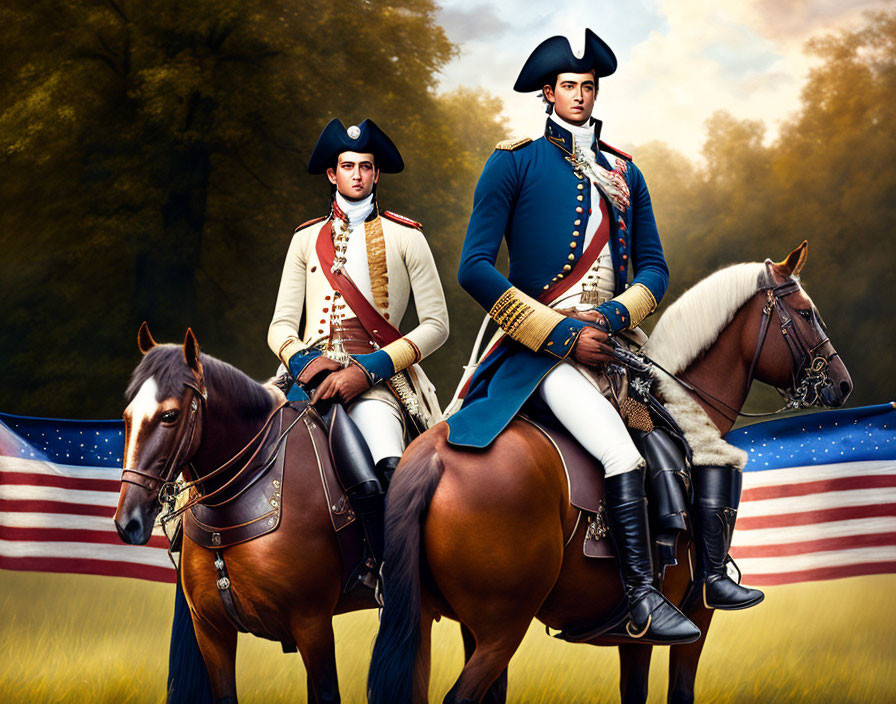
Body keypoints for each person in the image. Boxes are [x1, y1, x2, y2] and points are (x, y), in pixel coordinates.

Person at [448, 29, 761, 643]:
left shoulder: (625, 171)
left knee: (703, 439)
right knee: (622, 453)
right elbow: (474, 268)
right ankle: (642, 599)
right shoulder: (512, 162)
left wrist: (614, 319)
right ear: (548, 93)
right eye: (570, 86)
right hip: (539, 351)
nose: (581, 96)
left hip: (617, 342)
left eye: (589, 87)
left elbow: (654, 269)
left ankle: (709, 575)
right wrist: (560, 333)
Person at [268, 118, 449, 579]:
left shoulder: (408, 235)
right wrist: (305, 361)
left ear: (376, 174)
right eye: (347, 166)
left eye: (365, 167)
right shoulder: (305, 238)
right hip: (305, 373)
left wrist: (369, 370)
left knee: (386, 458)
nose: (356, 175)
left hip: (377, 379)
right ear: (332, 174)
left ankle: (390, 571)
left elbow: (436, 326)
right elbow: (280, 326)